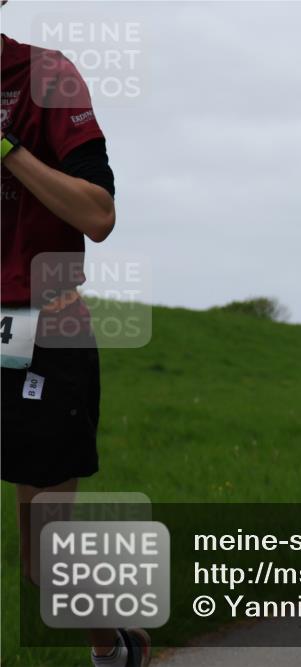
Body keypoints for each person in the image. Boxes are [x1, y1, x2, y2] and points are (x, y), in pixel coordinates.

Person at [1, 19, 152, 667]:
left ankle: (114, 648)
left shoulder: (44, 75)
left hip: (42, 336)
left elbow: (98, 213)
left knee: (44, 564)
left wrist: (5, 147)